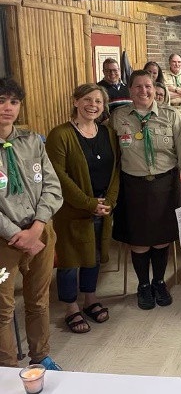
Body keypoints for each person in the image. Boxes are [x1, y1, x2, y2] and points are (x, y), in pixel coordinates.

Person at [110, 70, 181, 310]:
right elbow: (112, 156)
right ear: (130, 90)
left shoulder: (171, 116)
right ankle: (143, 285)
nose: (144, 91)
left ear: (155, 88)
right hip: (133, 186)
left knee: (161, 240)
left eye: (148, 86)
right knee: (138, 240)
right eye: (138, 86)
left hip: (165, 185)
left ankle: (159, 282)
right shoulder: (118, 117)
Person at [46, 84, 119, 334]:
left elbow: (116, 170)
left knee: (93, 256)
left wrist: (109, 201)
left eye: (98, 101)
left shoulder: (108, 133)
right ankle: (71, 307)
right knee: (70, 260)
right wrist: (89, 204)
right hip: (72, 210)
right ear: (76, 101)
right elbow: (58, 176)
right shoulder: (60, 134)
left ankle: (90, 299)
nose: (93, 105)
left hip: (102, 207)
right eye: (87, 99)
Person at [0, 78, 63, 370]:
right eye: (1, 101)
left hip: (40, 233)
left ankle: (40, 356)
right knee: (3, 308)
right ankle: (8, 367)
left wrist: (37, 227)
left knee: (38, 300)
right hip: (5, 240)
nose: (8, 108)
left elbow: (52, 186)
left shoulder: (32, 142)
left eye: (14, 102)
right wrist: (17, 234)